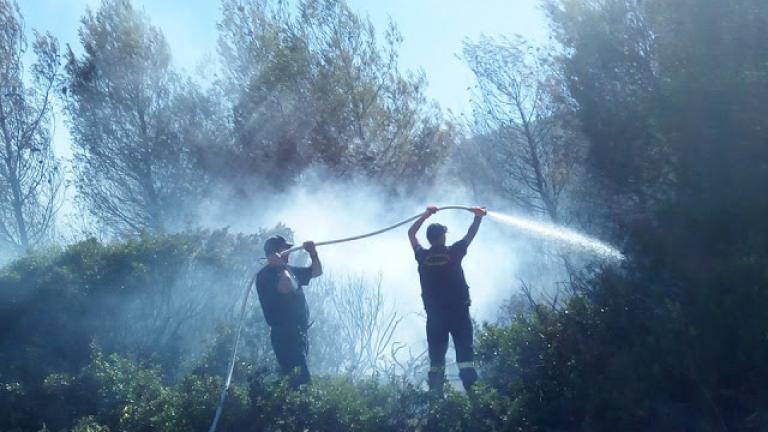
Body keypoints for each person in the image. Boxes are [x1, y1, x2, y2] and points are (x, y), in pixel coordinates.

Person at [408, 205, 486, 395]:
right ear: (442, 237)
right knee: (465, 356)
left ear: (429, 239)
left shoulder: (423, 256)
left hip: (435, 317)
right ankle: (474, 395)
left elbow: (411, 233)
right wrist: (477, 217)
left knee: (436, 360)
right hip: (458, 313)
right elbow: (470, 235)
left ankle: (436, 399)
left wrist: (425, 215)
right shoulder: (454, 253)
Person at [255, 234, 322, 388]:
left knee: (297, 378)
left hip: (299, 334)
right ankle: (295, 408)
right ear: (275, 252)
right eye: (285, 249)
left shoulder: (288, 270)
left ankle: (292, 405)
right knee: (299, 380)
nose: (289, 252)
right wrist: (279, 267)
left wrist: (313, 253)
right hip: (285, 335)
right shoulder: (265, 275)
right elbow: (285, 286)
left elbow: (316, 272)